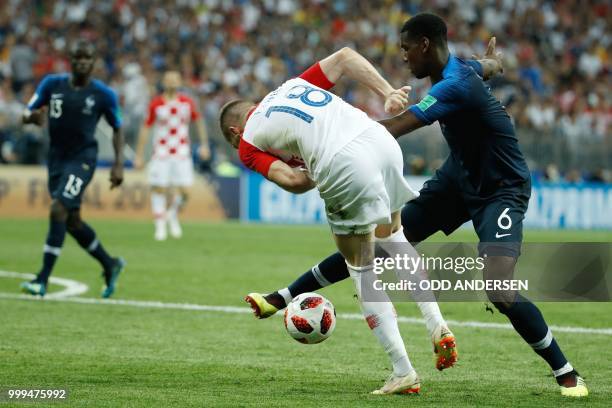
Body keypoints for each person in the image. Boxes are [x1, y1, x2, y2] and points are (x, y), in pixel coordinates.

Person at [250, 13, 588, 398]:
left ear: (425, 44)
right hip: (456, 182)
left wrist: (333, 140)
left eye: (407, 48)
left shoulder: (454, 84)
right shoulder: (459, 69)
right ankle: (284, 296)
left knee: (499, 286)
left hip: (501, 190)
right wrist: (492, 63)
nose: (404, 57)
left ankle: (567, 373)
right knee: (374, 248)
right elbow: (485, 66)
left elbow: (396, 126)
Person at [219, 47, 456, 395]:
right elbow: (345, 56)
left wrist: (315, 169)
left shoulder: (247, 143)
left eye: (232, 140)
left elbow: (294, 182)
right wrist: (388, 92)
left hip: (343, 163)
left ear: (236, 130)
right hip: (381, 141)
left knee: (360, 267)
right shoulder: (291, 85)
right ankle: (437, 324)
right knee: (395, 237)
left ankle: (403, 371)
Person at [20, 40, 125, 298]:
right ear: (70, 60)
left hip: (83, 159)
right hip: (56, 159)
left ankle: (41, 280)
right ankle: (109, 264)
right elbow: (26, 113)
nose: (82, 62)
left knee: (58, 209)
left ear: (94, 63)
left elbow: (118, 127)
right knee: (72, 221)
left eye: (87, 58)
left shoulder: (104, 94)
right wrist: (32, 117)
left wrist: (119, 164)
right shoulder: (51, 84)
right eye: (77, 57)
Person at [134, 71, 210, 241]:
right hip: (161, 152)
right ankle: (160, 225)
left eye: (175, 79)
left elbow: (199, 121)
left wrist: (204, 145)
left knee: (185, 192)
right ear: (164, 82)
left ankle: (172, 214)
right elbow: (145, 128)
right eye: (169, 79)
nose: (172, 82)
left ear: (180, 82)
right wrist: (139, 154)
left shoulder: (187, 102)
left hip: (182, 152)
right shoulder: (156, 104)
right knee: (159, 188)